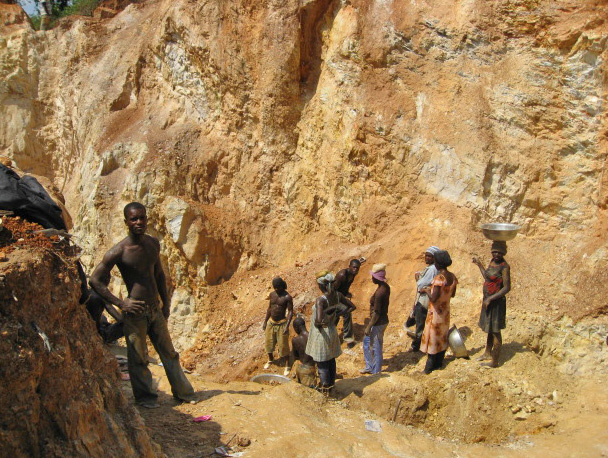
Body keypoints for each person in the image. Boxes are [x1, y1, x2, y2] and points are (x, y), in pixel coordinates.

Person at [90, 202, 196, 408]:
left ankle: (184, 393)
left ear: (147, 219)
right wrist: (121, 303)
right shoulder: (119, 251)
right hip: (135, 311)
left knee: (169, 353)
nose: (139, 222)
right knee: (138, 357)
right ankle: (146, 398)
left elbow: (158, 274)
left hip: (154, 308)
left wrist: (165, 304)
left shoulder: (152, 244)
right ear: (126, 222)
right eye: (134, 219)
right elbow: (95, 280)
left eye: (142, 218)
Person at [306, 271, 356, 393]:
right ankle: (331, 385)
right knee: (331, 360)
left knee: (322, 363)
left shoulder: (321, 300)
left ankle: (325, 390)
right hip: (332, 330)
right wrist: (337, 314)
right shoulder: (338, 295)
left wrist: (331, 310)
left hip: (322, 334)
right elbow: (352, 307)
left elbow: (318, 321)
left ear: (321, 286)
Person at [473, 241, 511, 368]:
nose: (497, 254)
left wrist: (491, 299)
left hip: (496, 303)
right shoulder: (492, 262)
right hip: (488, 300)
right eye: (495, 251)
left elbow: (506, 288)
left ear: (504, 253)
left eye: (500, 252)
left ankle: (495, 361)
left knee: (495, 331)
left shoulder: (504, 267)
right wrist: (479, 265)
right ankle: (487, 353)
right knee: (489, 328)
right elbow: (488, 277)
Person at [420, 250, 458, 374]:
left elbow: (434, 298)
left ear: (438, 263)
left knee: (433, 339)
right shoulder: (452, 277)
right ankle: (439, 363)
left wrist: (426, 291)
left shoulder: (439, 278)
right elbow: (452, 294)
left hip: (435, 313)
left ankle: (428, 369)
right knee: (442, 338)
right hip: (445, 312)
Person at [360, 264, 390, 375]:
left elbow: (377, 313)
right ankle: (370, 366)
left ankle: (376, 372)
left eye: (373, 276)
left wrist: (369, 326)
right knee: (367, 342)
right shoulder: (385, 287)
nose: (371, 278)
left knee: (376, 348)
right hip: (380, 321)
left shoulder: (379, 293)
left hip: (378, 323)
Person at [409, 246, 440, 352]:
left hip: (424, 300)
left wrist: (417, 278)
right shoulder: (435, 268)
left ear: (434, 258)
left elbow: (420, 285)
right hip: (427, 300)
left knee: (420, 323)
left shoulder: (432, 269)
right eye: (426, 255)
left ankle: (417, 346)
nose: (426, 258)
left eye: (429, 256)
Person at [262, 277, 294, 375]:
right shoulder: (272, 295)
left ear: (282, 286)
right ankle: (270, 359)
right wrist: (265, 321)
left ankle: (287, 365)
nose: (276, 289)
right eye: (275, 287)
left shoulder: (287, 297)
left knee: (283, 345)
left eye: (278, 287)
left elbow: (290, 312)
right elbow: (269, 309)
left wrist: (287, 326)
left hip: (282, 323)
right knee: (269, 342)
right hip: (271, 322)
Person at [82, 271, 124, 343]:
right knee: (126, 325)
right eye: (109, 279)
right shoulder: (101, 295)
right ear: (106, 280)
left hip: (85, 330)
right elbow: (116, 315)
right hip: (97, 335)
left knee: (103, 318)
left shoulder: (89, 292)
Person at [333, 259, 361, 342]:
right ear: (349, 266)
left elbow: (346, 286)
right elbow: (333, 290)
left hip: (341, 296)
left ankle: (346, 337)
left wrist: (346, 293)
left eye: (357, 268)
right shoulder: (342, 275)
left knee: (343, 314)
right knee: (342, 313)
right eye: (354, 267)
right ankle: (346, 337)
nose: (355, 269)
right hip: (335, 297)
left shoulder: (353, 274)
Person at [290, 316, 317, 388]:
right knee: (310, 392)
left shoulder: (295, 340)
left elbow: (295, 356)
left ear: (296, 327)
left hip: (300, 368)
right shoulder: (313, 337)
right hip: (310, 368)